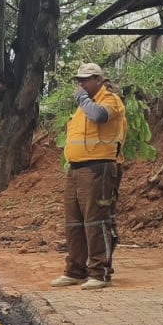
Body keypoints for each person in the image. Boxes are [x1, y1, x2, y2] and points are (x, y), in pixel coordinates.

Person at [51, 62, 126, 290]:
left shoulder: (109, 100)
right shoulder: (84, 106)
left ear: (99, 80)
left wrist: (82, 100)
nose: (81, 84)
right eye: (79, 81)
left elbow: (99, 117)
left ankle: (100, 272)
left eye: (85, 80)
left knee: (96, 221)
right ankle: (75, 271)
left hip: (99, 169)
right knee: (74, 223)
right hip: (76, 170)